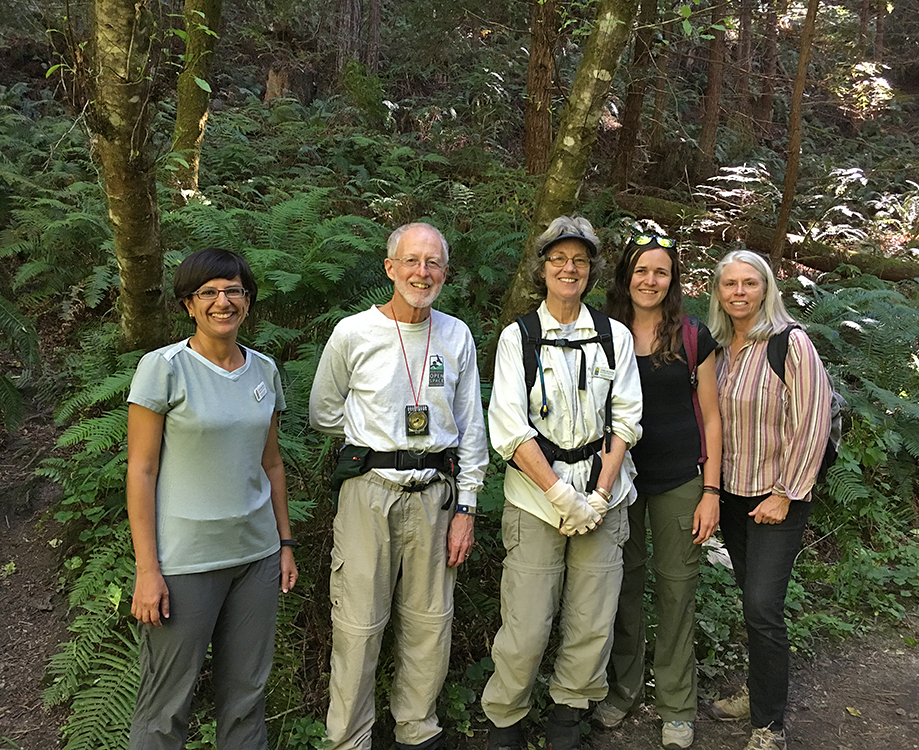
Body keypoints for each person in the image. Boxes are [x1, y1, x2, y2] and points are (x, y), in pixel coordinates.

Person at [309, 223, 488, 750]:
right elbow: (322, 410)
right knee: (359, 627)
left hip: (436, 493)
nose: (422, 272)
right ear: (390, 268)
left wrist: (468, 507)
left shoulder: (455, 335)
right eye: (411, 261)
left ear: (445, 274)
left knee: (431, 623)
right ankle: (348, 739)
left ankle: (417, 729)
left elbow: (470, 423)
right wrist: (372, 439)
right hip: (370, 493)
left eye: (433, 264)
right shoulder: (353, 333)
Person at [482, 215, 643, 750]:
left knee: (592, 618)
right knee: (526, 623)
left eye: (579, 260)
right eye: (558, 259)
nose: (569, 268)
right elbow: (507, 425)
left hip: (604, 498)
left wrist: (597, 495)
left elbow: (626, 420)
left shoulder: (613, 336)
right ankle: (505, 718)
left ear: (591, 270)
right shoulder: (519, 337)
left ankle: (569, 716)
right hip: (534, 499)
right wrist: (557, 494)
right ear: (542, 268)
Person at [127, 248, 298, 750]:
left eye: (234, 291)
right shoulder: (164, 369)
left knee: (246, 697)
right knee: (165, 705)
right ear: (188, 304)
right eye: (209, 292)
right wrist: (147, 570)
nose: (223, 301)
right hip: (184, 564)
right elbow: (141, 470)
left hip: (257, 559)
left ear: (247, 300)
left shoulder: (264, 371)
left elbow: (271, 464)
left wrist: (285, 542)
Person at [595, 233, 722, 750]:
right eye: (641, 270)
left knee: (676, 590)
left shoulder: (692, 336)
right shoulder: (601, 332)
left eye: (661, 271)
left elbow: (712, 417)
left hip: (680, 480)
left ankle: (676, 706)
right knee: (622, 588)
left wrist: (711, 490)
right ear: (626, 276)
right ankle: (622, 690)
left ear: (673, 279)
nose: (650, 280)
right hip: (619, 480)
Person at [706, 250, 832, 750]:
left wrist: (785, 493)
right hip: (733, 494)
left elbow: (813, 423)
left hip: (778, 496)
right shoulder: (717, 347)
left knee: (762, 605)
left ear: (767, 289)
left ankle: (769, 725)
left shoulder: (791, 344)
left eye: (749, 283)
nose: (739, 292)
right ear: (718, 292)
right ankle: (757, 694)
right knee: (749, 599)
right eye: (729, 284)